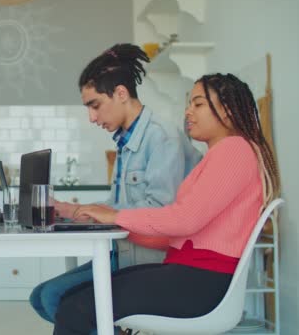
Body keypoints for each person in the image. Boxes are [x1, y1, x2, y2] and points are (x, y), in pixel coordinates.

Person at [53, 73, 281, 335]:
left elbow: (185, 220)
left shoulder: (235, 149)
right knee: (75, 300)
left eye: (198, 104)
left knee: (75, 307)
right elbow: (177, 233)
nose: (188, 112)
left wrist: (115, 216)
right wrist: (110, 223)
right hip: (192, 275)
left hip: (202, 283)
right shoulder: (224, 153)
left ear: (227, 110)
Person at [30, 43, 202, 324]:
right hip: (122, 251)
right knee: (41, 297)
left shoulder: (161, 138)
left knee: (53, 298)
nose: (92, 117)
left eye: (94, 105)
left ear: (121, 93)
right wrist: (69, 210)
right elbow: (121, 207)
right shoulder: (128, 140)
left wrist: (87, 213)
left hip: (148, 260)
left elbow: (159, 214)